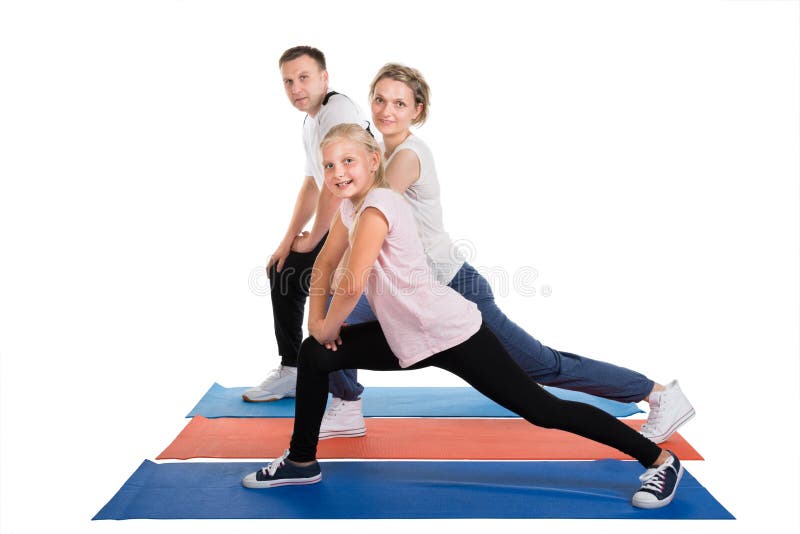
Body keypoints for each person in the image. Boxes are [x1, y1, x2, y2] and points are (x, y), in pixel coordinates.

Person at [242, 124, 684, 510]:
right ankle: (301, 462)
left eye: (348, 161)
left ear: (373, 161)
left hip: (449, 332)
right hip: (405, 336)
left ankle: (660, 461)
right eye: (329, 165)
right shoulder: (348, 206)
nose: (338, 172)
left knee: (541, 409)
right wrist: (315, 326)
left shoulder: (377, 206)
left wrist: (327, 324)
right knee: (315, 352)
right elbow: (323, 266)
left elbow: (353, 281)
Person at [314, 63, 694, 445]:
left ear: (417, 110)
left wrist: (339, 259)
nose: (386, 110)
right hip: (410, 293)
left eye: (399, 103)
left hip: (452, 290)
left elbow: (371, 219)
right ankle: (346, 403)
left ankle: (656, 392)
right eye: (379, 99)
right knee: (330, 321)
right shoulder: (377, 153)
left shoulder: (407, 157)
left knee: (541, 366)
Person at [242, 46, 371, 433]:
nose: (296, 88)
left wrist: (314, 237)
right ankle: (292, 366)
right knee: (282, 269)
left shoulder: (338, 111)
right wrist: (287, 243)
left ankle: (348, 400)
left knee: (328, 287)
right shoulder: (310, 122)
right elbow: (313, 183)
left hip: (368, 220)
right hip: (346, 219)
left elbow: (338, 180)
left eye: (304, 77)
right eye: (288, 81)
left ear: (324, 78)